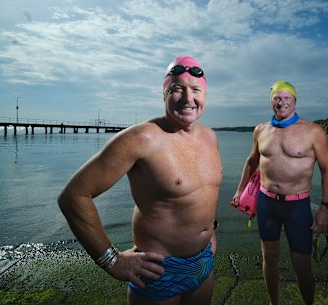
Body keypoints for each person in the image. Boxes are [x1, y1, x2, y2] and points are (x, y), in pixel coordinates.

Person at [58, 55, 222, 305]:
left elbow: (203, 194)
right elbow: (73, 196)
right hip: (158, 270)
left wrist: (211, 228)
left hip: (203, 262)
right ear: (164, 94)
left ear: (205, 95)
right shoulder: (142, 139)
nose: (189, 98)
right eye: (177, 90)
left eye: (196, 90)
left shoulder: (211, 137)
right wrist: (111, 260)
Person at [232, 80, 328, 305]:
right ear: (271, 102)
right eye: (277, 97)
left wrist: (325, 209)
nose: (282, 102)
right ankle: (273, 302)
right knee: (269, 258)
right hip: (267, 203)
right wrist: (240, 190)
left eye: (287, 97)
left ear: (295, 100)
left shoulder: (313, 131)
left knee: (302, 264)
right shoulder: (261, 130)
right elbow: (251, 162)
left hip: (297, 207)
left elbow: (327, 170)